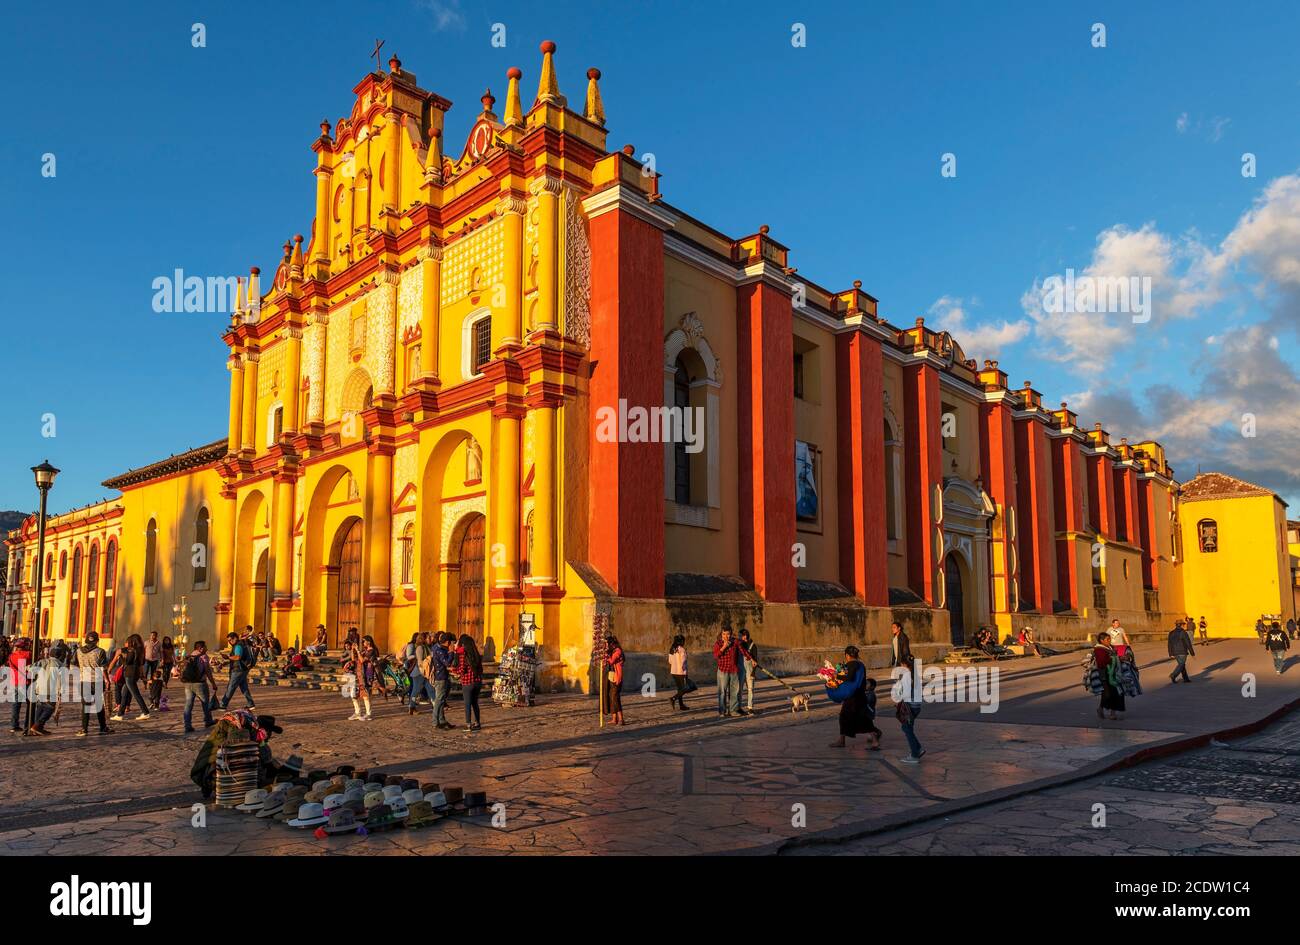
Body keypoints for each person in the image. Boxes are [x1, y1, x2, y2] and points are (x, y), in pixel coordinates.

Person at [825, 646, 880, 750]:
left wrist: (835, 675)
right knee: (861, 718)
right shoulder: (861, 665)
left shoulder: (851, 664)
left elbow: (848, 677)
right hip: (860, 696)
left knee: (845, 717)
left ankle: (842, 741)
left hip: (853, 697)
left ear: (847, 655)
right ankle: (874, 740)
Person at [890, 621, 925, 763]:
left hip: (910, 706)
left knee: (906, 728)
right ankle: (918, 749)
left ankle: (915, 754)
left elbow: (903, 694)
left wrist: (897, 700)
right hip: (917, 706)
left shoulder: (905, 676)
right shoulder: (916, 676)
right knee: (908, 727)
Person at [75, 631, 113, 737]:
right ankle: (103, 727)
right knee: (99, 705)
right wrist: (107, 680)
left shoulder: (78, 651)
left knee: (85, 706)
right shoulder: (100, 651)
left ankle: (84, 729)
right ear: (97, 640)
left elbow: (74, 664)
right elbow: (103, 668)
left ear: (86, 640)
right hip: (97, 681)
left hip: (84, 681)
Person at [26, 642, 65, 736]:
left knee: (40, 706)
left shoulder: (42, 661)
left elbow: (30, 668)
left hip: (40, 688)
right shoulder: (60, 665)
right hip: (51, 690)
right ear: (60, 655)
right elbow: (62, 680)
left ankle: (38, 728)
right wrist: (61, 692)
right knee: (49, 708)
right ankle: (37, 726)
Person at [712, 627, 752, 717]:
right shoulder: (718, 643)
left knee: (734, 691)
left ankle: (733, 710)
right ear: (721, 634)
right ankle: (722, 711)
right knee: (722, 692)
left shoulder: (735, 642)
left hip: (734, 670)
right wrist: (724, 647)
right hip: (722, 670)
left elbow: (743, 651)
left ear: (731, 634)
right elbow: (716, 655)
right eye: (724, 634)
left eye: (728, 634)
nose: (726, 636)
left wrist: (751, 659)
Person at [111, 634, 150, 721]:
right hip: (134, 675)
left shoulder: (131, 651)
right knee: (124, 694)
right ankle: (120, 715)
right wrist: (142, 676)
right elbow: (140, 665)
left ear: (132, 642)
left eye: (128, 641)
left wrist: (120, 655)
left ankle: (146, 712)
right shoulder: (139, 651)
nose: (127, 643)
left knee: (136, 694)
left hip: (129, 675)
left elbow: (126, 661)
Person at [179, 640, 215, 733]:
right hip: (200, 683)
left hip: (188, 683)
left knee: (188, 704)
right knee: (205, 703)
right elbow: (207, 671)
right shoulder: (203, 657)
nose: (207, 648)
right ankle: (208, 720)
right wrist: (213, 683)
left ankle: (187, 725)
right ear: (200, 648)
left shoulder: (189, 656)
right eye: (205, 647)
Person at [452, 634, 484, 731]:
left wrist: (454, 672)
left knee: (467, 704)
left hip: (467, 682)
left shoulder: (463, 654)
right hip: (477, 681)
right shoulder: (476, 654)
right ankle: (477, 723)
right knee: (475, 703)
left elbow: (462, 669)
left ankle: (468, 724)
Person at [220, 630, 257, 711]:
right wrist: (224, 663)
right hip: (242, 669)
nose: (229, 642)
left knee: (231, 687)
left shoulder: (238, 646)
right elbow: (235, 658)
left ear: (235, 638)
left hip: (238, 670)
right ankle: (251, 704)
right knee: (244, 687)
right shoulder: (239, 645)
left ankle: (223, 704)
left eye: (230, 640)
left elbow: (237, 657)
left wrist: (227, 657)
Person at [1094, 631, 1125, 721]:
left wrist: (1121, 658)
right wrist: (1115, 658)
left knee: (1117, 693)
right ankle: (1101, 709)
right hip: (1105, 675)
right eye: (1107, 639)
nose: (1109, 640)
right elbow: (1101, 663)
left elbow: (1115, 657)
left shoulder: (1110, 648)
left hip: (1115, 674)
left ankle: (1112, 713)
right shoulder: (1099, 649)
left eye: (1109, 639)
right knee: (1107, 694)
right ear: (1101, 640)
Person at [429, 632, 454, 730]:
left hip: (441, 676)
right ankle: (435, 721)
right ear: (447, 642)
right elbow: (447, 663)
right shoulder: (440, 650)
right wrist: (451, 652)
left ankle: (442, 720)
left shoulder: (436, 647)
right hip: (441, 677)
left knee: (442, 700)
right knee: (439, 701)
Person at [7, 637, 32, 733]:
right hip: (25, 682)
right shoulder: (28, 654)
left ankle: (14, 725)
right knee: (30, 704)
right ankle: (28, 724)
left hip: (15, 682)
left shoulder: (11, 656)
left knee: (16, 705)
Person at [406, 632, 435, 716]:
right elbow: (420, 662)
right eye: (428, 638)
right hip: (419, 673)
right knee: (415, 691)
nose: (430, 639)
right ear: (423, 639)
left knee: (431, 689)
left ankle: (436, 706)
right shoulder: (420, 648)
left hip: (425, 673)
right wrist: (424, 672)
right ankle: (412, 707)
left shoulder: (427, 647)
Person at [603, 634, 624, 726]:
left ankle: (621, 719)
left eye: (607, 644)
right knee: (612, 698)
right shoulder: (612, 651)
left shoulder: (618, 651)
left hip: (617, 677)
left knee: (615, 698)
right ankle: (614, 718)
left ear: (612, 644)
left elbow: (611, 661)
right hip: (611, 677)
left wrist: (605, 653)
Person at [737, 629, 759, 715]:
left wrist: (753, 672)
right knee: (740, 690)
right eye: (743, 635)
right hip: (741, 670)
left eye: (746, 635)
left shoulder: (753, 646)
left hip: (750, 671)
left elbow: (755, 661)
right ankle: (738, 707)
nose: (745, 637)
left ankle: (750, 707)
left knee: (750, 689)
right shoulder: (739, 645)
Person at [1167, 619, 1195, 683]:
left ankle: (1185, 678)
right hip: (1182, 652)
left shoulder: (1171, 633)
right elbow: (1188, 643)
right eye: (1184, 624)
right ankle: (1173, 675)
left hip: (1175, 652)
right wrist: (1192, 653)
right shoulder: (1183, 632)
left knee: (1181, 665)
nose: (1184, 626)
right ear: (1181, 625)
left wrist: (1170, 653)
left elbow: (1169, 644)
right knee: (1181, 665)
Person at [667, 635, 689, 711]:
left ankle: (681, 705)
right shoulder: (682, 649)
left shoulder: (671, 649)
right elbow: (684, 662)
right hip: (681, 672)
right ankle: (673, 698)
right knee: (684, 689)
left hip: (673, 672)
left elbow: (669, 661)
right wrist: (686, 674)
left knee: (680, 689)